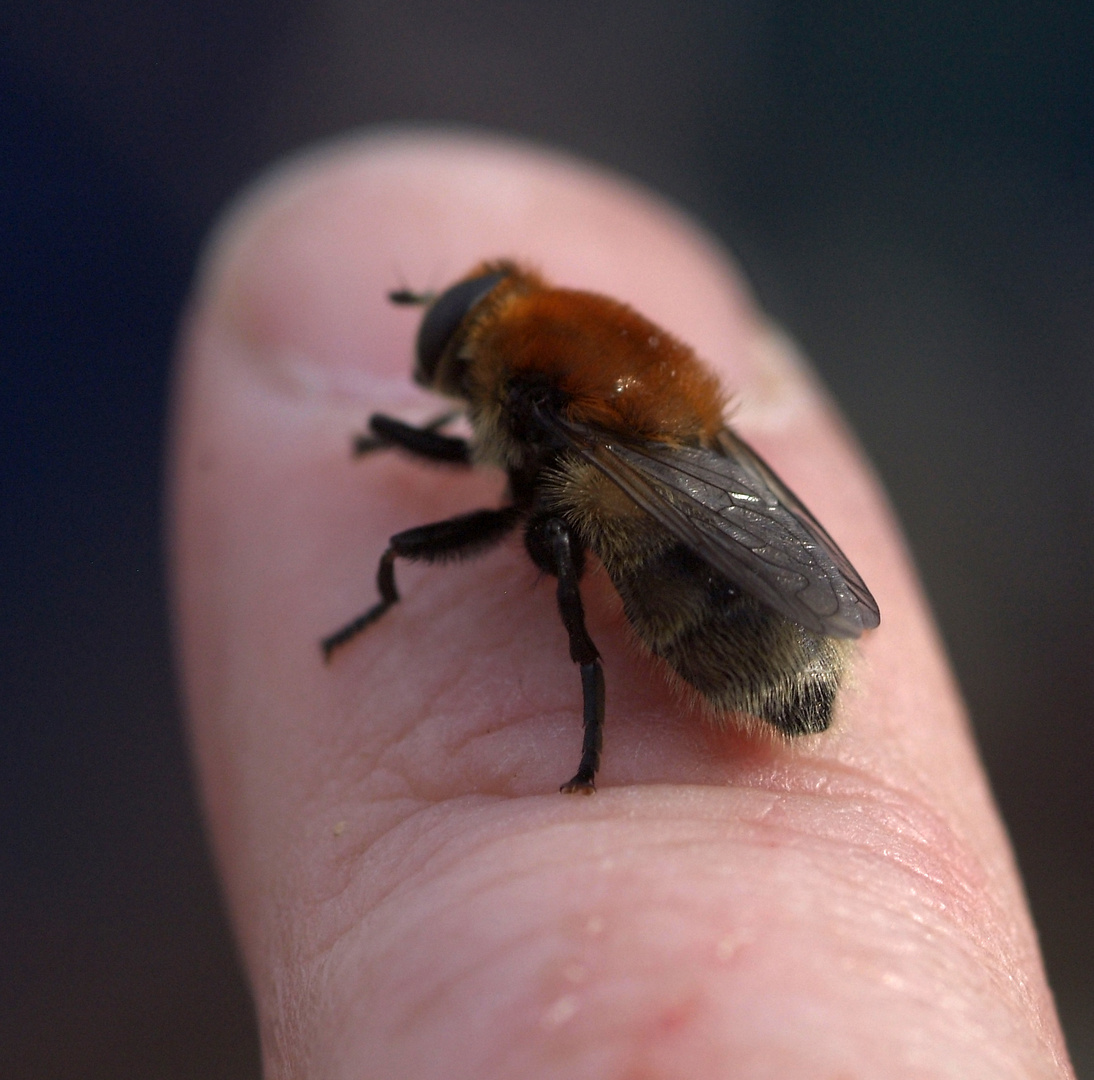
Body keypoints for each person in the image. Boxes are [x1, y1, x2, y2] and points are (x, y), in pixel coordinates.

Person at [170, 130, 1075, 1078]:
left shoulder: (534, 395)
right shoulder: (591, 357)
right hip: (730, 529)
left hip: (731, 615)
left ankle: (586, 698)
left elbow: (548, 528)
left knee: (526, 541)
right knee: (566, 525)